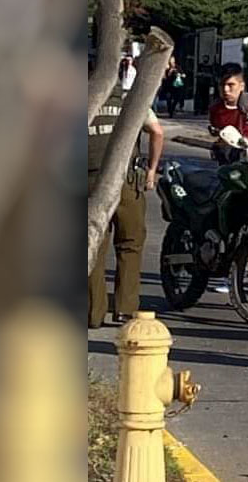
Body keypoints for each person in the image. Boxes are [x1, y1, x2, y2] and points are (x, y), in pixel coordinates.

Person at [88, 84, 164, 329]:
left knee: (93, 247)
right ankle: (125, 310)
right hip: (126, 181)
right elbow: (157, 132)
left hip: (91, 182)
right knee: (130, 245)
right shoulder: (134, 101)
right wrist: (151, 170)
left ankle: (93, 312)